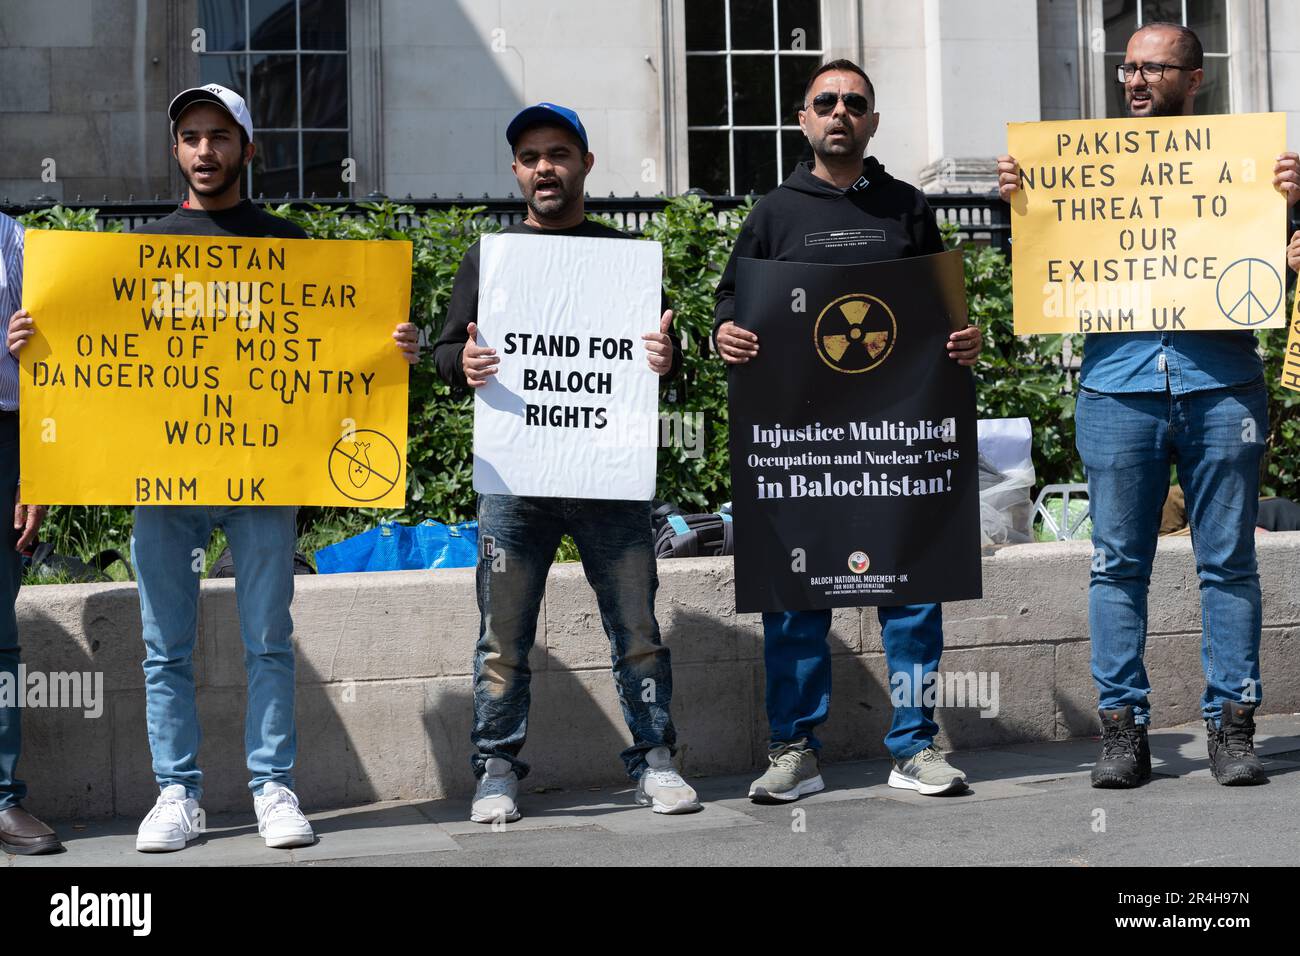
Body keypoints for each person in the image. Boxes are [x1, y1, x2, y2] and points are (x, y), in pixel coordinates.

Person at [8, 83, 420, 850]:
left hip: (264, 477)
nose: (205, 150)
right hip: (162, 478)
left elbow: (342, 346)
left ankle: (273, 787)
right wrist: (36, 340)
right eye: (192, 136)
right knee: (165, 644)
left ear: (247, 148)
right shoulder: (138, 251)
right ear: (176, 150)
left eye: (219, 136)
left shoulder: (290, 244)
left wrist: (395, 348)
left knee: (269, 635)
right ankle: (178, 793)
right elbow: (95, 358)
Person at [998, 22, 1300, 787]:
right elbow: (1049, 269)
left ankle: (1233, 728)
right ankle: (1122, 732)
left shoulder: (1252, 168)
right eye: (1126, 68)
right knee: (1115, 563)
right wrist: (1024, 205)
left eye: (1152, 69)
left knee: (1228, 563)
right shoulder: (1081, 167)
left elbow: (1279, 275)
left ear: (1193, 78)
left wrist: (1293, 217)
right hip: (1117, 386)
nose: (1133, 81)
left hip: (1221, 382)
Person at [713, 60, 983, 802]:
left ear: (870, 121)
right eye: (824, 102)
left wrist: (967, 340)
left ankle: (916, 747)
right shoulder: (774, 213)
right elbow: (730, 304)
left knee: (913, 591)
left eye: (854, 103)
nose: (839, 112)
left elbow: (947, 310)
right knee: (795, 594)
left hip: (896, 444)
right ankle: (794, 749)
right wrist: (725, 334)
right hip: (804, 449)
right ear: (803, 120)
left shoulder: (907, 208)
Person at [431, 102, 700, 823]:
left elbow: (672, 356)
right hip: (516, 485)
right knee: (502, 637)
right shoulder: (490, 257)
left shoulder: (625, 259)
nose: (544, 167)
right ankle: (495, 770)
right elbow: (442, 351)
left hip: (609, 480)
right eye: (529, 156)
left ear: (585, 163)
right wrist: (467, 361)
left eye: (557, 153)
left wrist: (667, 359)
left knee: (637, 631)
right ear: (516, 171)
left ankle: (656, 760)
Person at [0, 211, 60, 856]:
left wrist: (35, 471)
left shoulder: (13, 241)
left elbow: (50, 358)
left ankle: (1, 799)